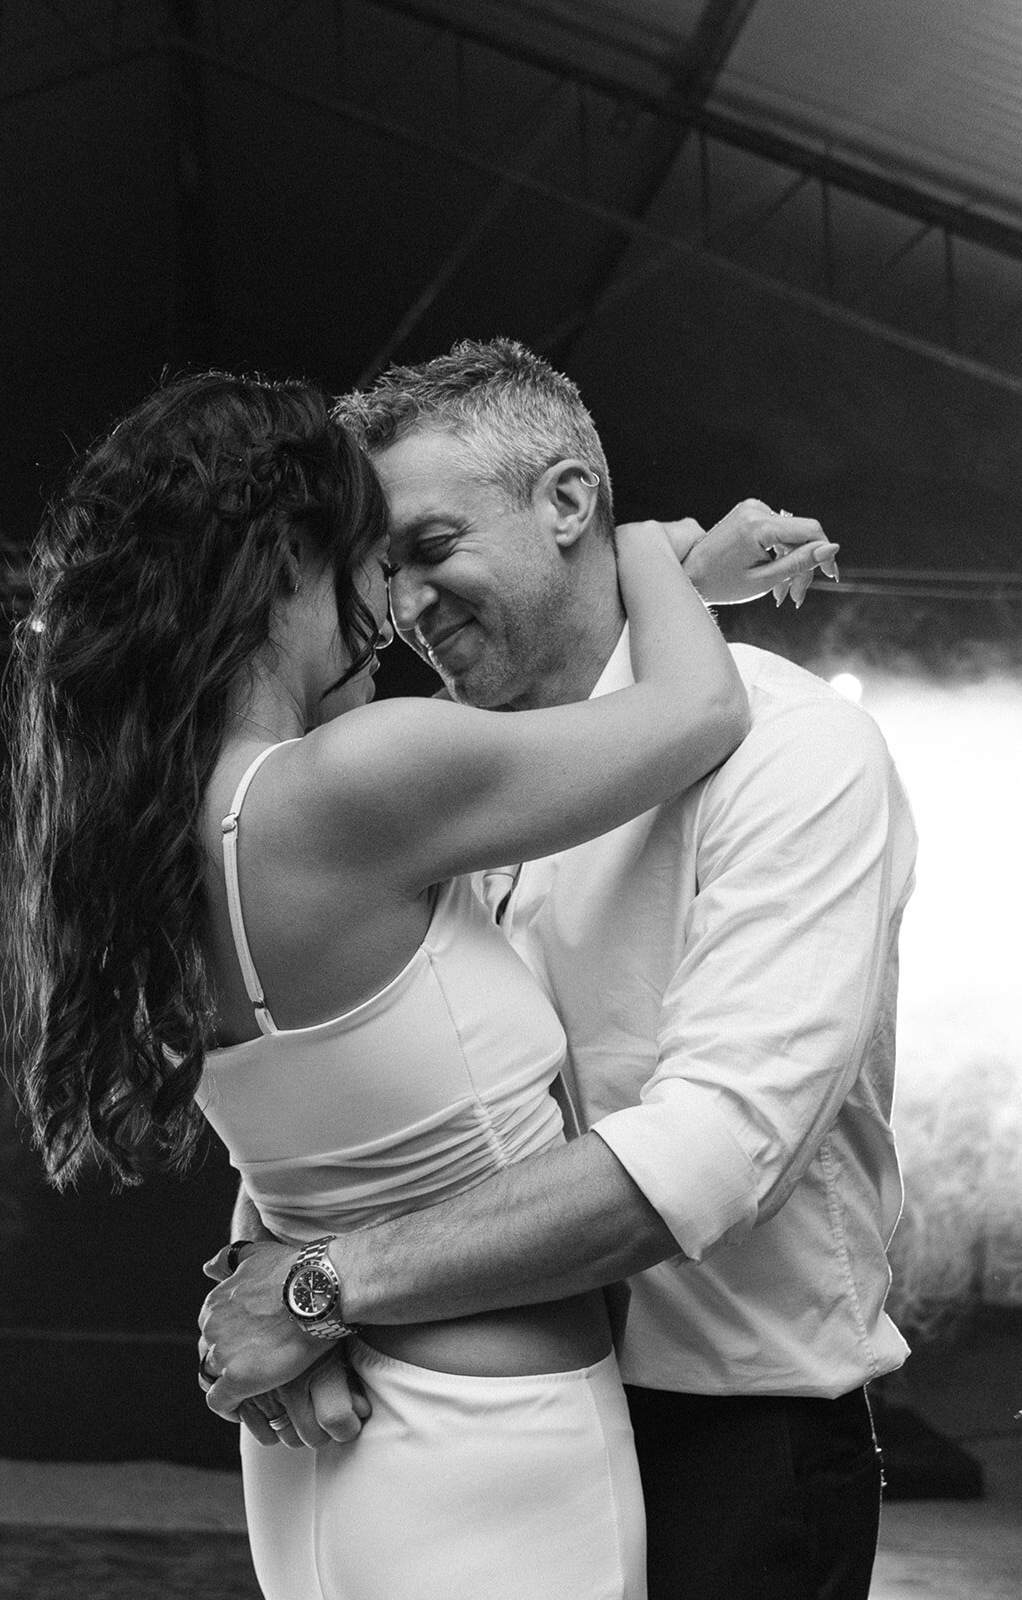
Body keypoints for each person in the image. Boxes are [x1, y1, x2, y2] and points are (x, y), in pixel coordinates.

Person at [0, 369, 833, 1600]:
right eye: (371, 560)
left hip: (323, 1453)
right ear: (287, 558)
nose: (388, 610)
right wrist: (646, 547)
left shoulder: (156, 832)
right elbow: (697, 711)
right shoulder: (362, 780)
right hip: (493, 1449)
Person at [201, 340, 917, 1600]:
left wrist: (320, 1288)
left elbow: (709, 1151)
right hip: (477, 1411)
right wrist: (281, 1274)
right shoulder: (445, 784)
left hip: (728, 1451)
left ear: (571, 503)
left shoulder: (798, 751)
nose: (403, 607)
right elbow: (378, 1099)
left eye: (430, 547)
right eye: (380, 571)